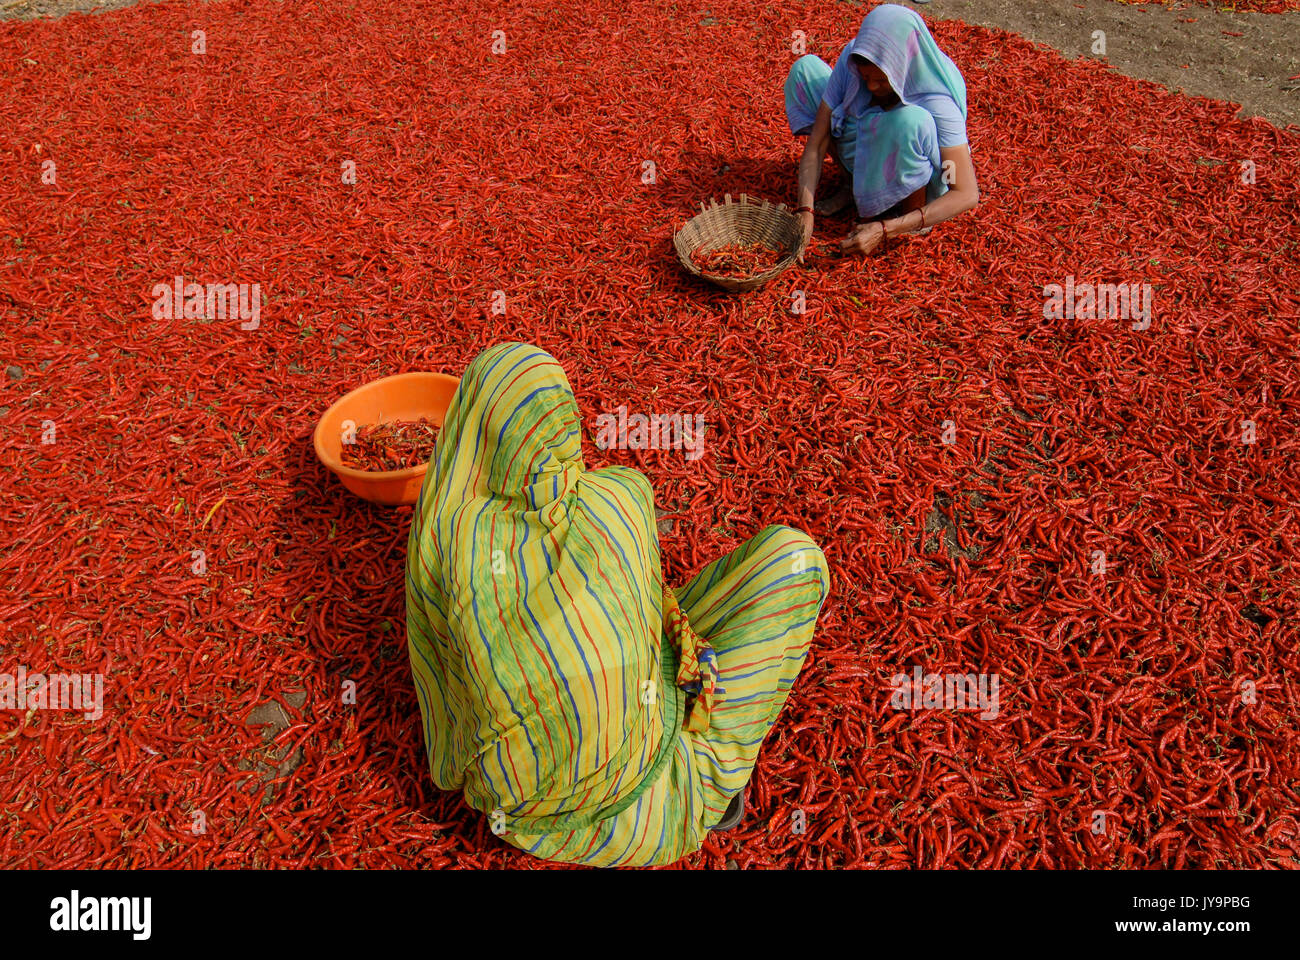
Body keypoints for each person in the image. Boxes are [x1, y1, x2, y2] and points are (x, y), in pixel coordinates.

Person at [405, 343, 829, 866]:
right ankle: (704, 785)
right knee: (794, 560)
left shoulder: (444, 536)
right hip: (652, 811)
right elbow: (650, 604)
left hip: (514, 808)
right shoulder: (616, 502)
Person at [785, 3, 979, 257]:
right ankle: (851, 185)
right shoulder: (856, 59)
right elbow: (818, 140)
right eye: (866, 79)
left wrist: (885, 229)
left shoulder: (937, 98)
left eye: (881, 80)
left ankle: (906, 216)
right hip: (873, 141)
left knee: (910, 121)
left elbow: (966, 193)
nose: (872, 87)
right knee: (805, 70)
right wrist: (805, 210)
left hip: (912, 166)